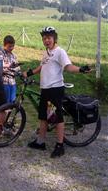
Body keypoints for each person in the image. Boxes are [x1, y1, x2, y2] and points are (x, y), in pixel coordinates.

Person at [23, 26, 91, 158]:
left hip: (55, 89)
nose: (46, 40)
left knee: (56, 118)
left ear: (54, 39)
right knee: (43, 116)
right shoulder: (46, 52)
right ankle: (40, 142)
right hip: (45, 89)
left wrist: (81, 69)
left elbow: (68, 67)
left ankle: (60, 146)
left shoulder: (60, 52)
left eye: (48, 38)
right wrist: (29, 73)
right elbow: (42, 67)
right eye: (44, 38)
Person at [3, 35, 20, 103]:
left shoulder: (14, 56)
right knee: (5, 102)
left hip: (13, 82)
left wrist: (17, 69)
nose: (11, 48)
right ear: (4, 45)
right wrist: (9, 68)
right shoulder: (1, 54)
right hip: (4, 81)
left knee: (12, 101)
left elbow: (18, 68)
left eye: (13, 46)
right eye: (9, 46)